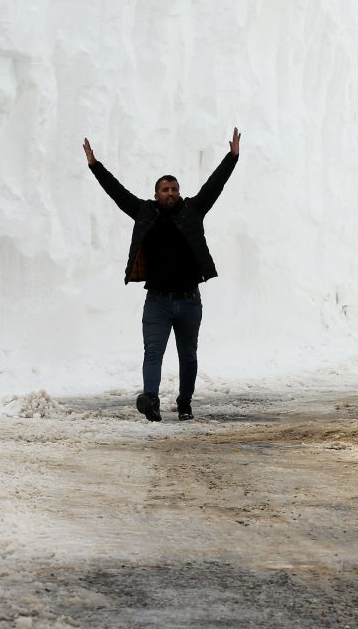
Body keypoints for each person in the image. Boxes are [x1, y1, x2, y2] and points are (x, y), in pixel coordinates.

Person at [83, 129, 241, 421]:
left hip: (189, 300)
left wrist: (232, 157)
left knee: (188, 356)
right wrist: (95, 166)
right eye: (165, 190)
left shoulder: (193, 209)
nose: (170, 194)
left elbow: (214, 186)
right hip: (157, 301)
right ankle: (151, 399)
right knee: (153, 353)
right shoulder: (144, 212)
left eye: (174, 190)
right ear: (156, 194)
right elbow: (116, 192)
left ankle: (184, 404)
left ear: (179, 193)